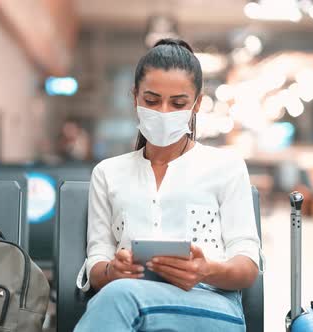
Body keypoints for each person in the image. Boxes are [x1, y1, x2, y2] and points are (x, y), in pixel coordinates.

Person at [74, 38, 262, 332]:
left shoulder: (227, 167)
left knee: (118, 299)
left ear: (197, 104)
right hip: (125, 299)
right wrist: (113, 271)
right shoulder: (108, 173)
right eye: (151, 101)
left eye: (178, 103)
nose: (163, 112)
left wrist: (207, 270)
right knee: (118, 295)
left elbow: (248, 266)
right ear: (134, 96)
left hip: (211, 305)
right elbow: (97, 261)